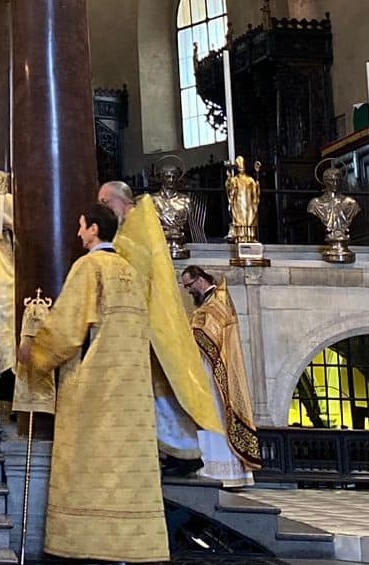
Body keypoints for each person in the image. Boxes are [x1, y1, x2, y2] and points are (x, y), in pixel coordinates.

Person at [17, 204, 168, 564]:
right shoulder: (130, 271)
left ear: (95, 230)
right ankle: (130, 544)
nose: (77, 234)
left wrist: (35, 351)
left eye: (81, 227)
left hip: (95, 387)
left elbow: (68, 330)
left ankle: (87, 542)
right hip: (129, 388)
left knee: (88, 463)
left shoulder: (90, 267)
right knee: (123, 465)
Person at [99, 180, 222, 475]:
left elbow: (139, 267)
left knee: (163, 385)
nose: (103, 211)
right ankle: (168, 452)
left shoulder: (137, 224)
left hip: (151, 321)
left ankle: (184, 453)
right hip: (143, 320)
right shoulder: (135, 223)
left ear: (121, 201)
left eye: (105, 204)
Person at [182, 265, 262, 487]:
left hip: (215, 371)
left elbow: (209, 333)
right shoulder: (208, 304)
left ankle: (222, 473)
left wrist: (187, 331)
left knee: (215, 416)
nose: (188, 291)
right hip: (204, 369)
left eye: (189, 286)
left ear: (199, 281)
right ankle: (209, 469)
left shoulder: (218, 302)